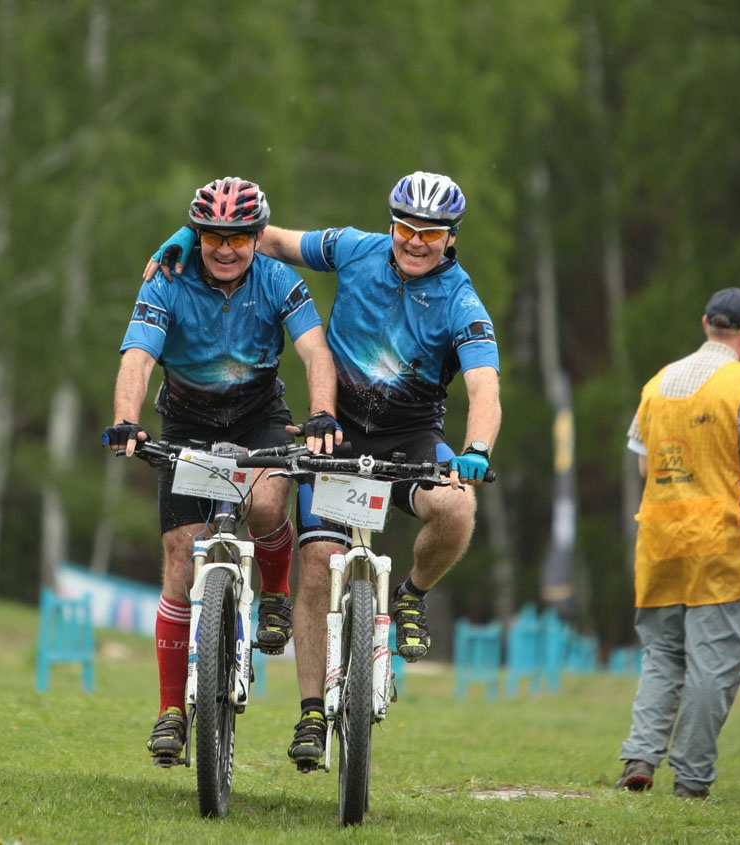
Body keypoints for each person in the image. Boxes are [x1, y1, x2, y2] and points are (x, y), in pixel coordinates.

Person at [145, 170, 502, 771]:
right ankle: (312, 711)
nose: (416, 242)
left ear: (451, 238)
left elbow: (485, 387)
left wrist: (478, 448)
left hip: (411, 438)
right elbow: (270, 238)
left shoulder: (461, 300)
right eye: (407, 227)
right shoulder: (355, 248)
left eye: (431, 233)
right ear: (392, 224)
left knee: (457, 505)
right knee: (316, 565)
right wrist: (187, 234)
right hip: (334, 430)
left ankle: (412, 596)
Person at [103, 177, 340, 766]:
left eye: (238, 238)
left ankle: (275, 593)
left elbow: (315, 350)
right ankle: (170, 711)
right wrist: (126, 419)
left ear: (257, 237)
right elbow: (138, 356)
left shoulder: (279, 280)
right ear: (198, 235)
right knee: (180, 555)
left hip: (259, 418)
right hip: (187, 422)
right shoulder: (168, 280)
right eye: (213, 237)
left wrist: (322, 413)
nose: (226, 249)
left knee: (268, 504)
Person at [614, 287, 740, 799]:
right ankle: (691, 779)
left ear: (705, 323)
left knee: (663, 655)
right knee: (714, 664)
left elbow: (645, 466)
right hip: (722, 542)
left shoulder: (658, 384)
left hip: (659, 539)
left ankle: (640, 757)